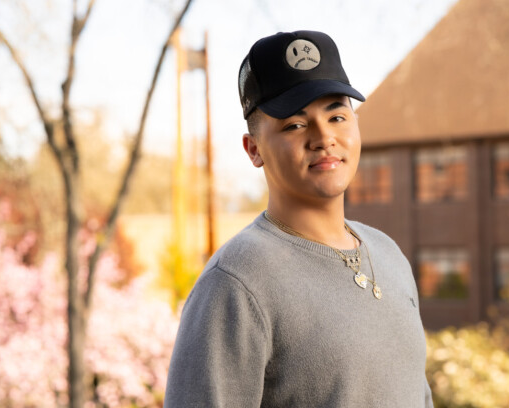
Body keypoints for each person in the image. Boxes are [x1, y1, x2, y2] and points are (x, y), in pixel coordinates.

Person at [164, 30, 433, 408]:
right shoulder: (235, 284)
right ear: (254, 149)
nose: (324, 137)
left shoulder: (389, 255)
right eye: (294, 124)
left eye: (337, 116)